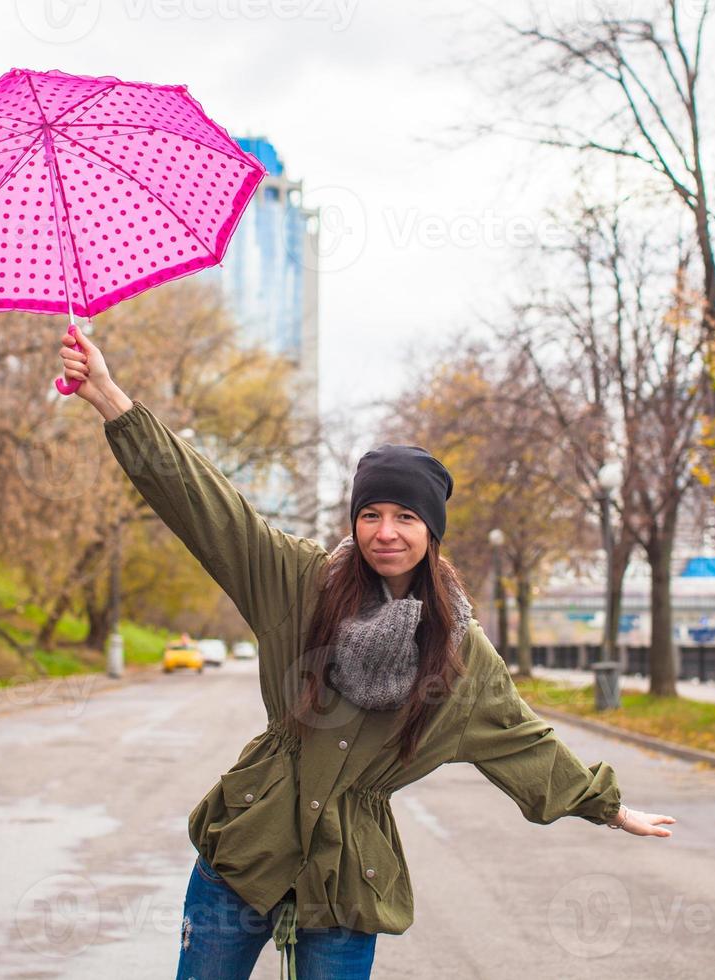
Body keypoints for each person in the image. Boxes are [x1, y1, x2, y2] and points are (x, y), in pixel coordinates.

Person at [59, 330, 677, 980]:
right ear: (353, 521)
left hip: (348, 876)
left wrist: (607, 807)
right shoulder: (300, 582)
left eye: (407, 517)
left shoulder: (459, 650)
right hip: (246, 846)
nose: (386, 532)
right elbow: (203, 504)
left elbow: (523, 742)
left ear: (432, 532)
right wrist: (106, 394)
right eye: (372, 513)